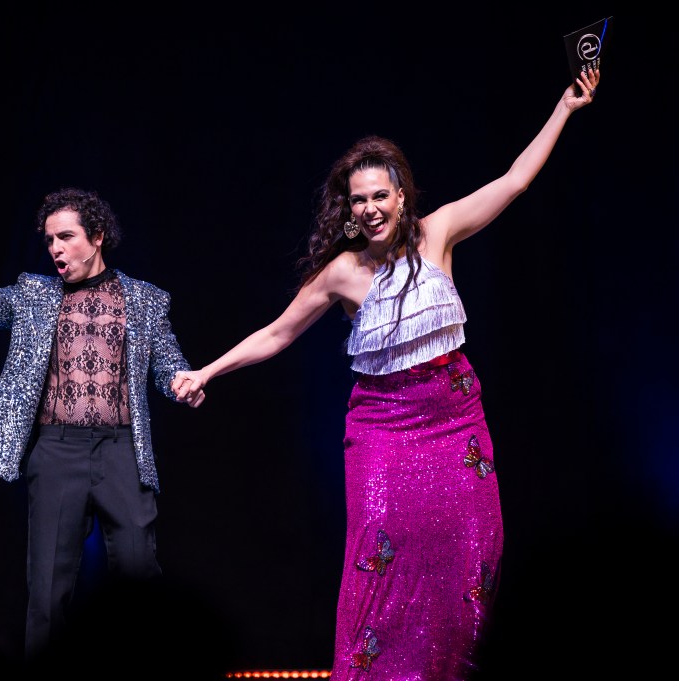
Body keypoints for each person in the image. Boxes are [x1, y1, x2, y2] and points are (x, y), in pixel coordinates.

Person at [171, 69, 601, 679]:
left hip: (455, 422)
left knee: (470, 553)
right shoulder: (342, 272)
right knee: (381, 562)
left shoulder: (438, 232)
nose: (370, 209)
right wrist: (207, 372)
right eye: (359, 200)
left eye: (380, 196)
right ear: (349, 210)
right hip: (384, 428)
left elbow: (515, 180)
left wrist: (565, 106)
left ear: (401, 197)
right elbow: (277, 333)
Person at [0, 185, 204, 663]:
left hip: (122, 450)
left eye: (65, 237)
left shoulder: (145, 300)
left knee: (140, 574)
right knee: (48, 589)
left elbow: (168, 364)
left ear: (96, 236)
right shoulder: (33, 295)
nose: (55, 249)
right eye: (49, 240)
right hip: (57, 451)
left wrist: (183, 382)